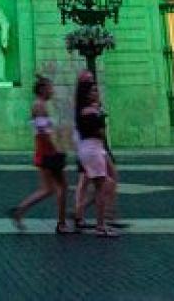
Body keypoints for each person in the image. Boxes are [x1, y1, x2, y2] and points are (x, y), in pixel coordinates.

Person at [10, 76, 74, 233]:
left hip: (45, 151)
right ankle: (61, 223)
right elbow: (43, 131)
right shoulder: (39, 106)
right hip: (48, 151)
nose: (52, 90)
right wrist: (56, 148)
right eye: (50, 87)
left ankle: (20, 210)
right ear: (43, 89)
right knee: (61, 187)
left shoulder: (41, 105)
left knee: (48, 189)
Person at [71, 73, 119, 237]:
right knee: (102, 186)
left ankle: (89, 215)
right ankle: (100, 224)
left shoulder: (86, 110)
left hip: (91, 149)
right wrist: (100, 119)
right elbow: (99, 132)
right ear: (87, 93)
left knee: (103, 184)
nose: (96, 93)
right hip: (93, 149)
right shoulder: (90, 112)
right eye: (93, 90)